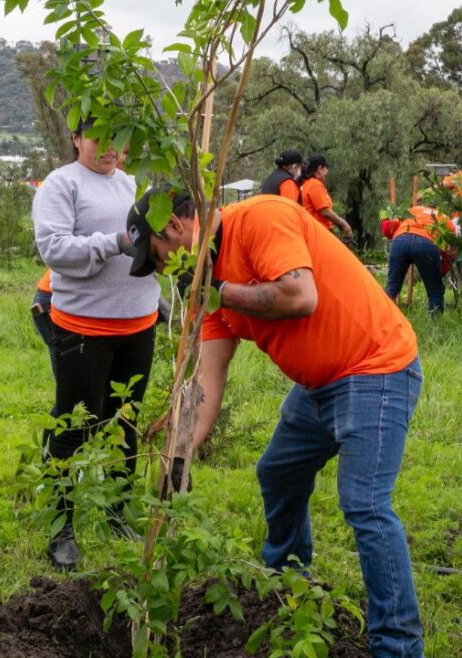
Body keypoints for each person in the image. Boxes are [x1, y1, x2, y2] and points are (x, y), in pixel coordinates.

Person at [126, 193, 425, 658]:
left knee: (364, 502)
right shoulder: (211, 289)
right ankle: (287, 583)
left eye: (158, 258)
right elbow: (208, 378)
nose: (164, 272)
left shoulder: (260, 220)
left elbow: (300, 296)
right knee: (279, 472)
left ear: (177, 228)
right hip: (319, 384)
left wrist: (219, 289)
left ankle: (398, 646)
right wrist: (179, 454)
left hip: (375, 367)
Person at [31, 117, 160, 570]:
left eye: (118, 138)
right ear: (76, 139)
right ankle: (60, 525)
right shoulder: (61, 185)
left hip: (139, 326)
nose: (109, 147)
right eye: (98, 137)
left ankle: (117, 510)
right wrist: (116, 242)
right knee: (75, 425)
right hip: (83, 328)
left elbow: (155, 243)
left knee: (126, 422)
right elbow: (55, 250)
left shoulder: (133, 186)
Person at [384, 204, 456, 314]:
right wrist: (443, 269)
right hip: (426, 243)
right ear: (436, 207)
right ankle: (436, 324)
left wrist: (384, 218)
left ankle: (379, 316)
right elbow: (451, 248)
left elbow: (388, 229)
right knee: (434, 289)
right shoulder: (444, 217)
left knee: (392, 287)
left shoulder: (412, 210)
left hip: (400, 240)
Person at [299, 154, 352, 237]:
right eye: (326, 168)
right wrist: (343, 224)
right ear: (320, 169)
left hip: (312, 230)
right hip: (320, 231)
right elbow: (325, 212)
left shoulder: (306, 184)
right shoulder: (314, 185)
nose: (327, 173)